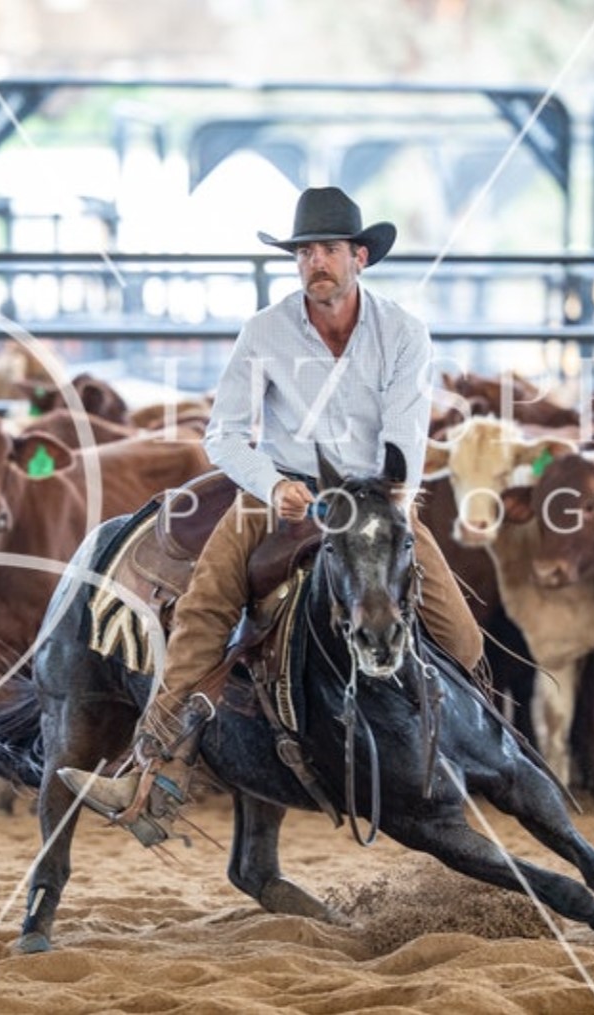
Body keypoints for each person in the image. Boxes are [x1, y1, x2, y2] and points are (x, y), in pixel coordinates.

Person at [62, 186, 484, 845]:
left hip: (375, 499)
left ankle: (459, 752)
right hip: (281, 495)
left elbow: (403, 441)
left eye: (329, 250)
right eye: (305, 252)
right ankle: (153, 769)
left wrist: (378, 506)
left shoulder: (402, 332)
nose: (316, 262)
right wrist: (273, 483)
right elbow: (224, 434)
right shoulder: (265, 330)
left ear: (359, 257)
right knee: (205, 606)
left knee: (461, 637)